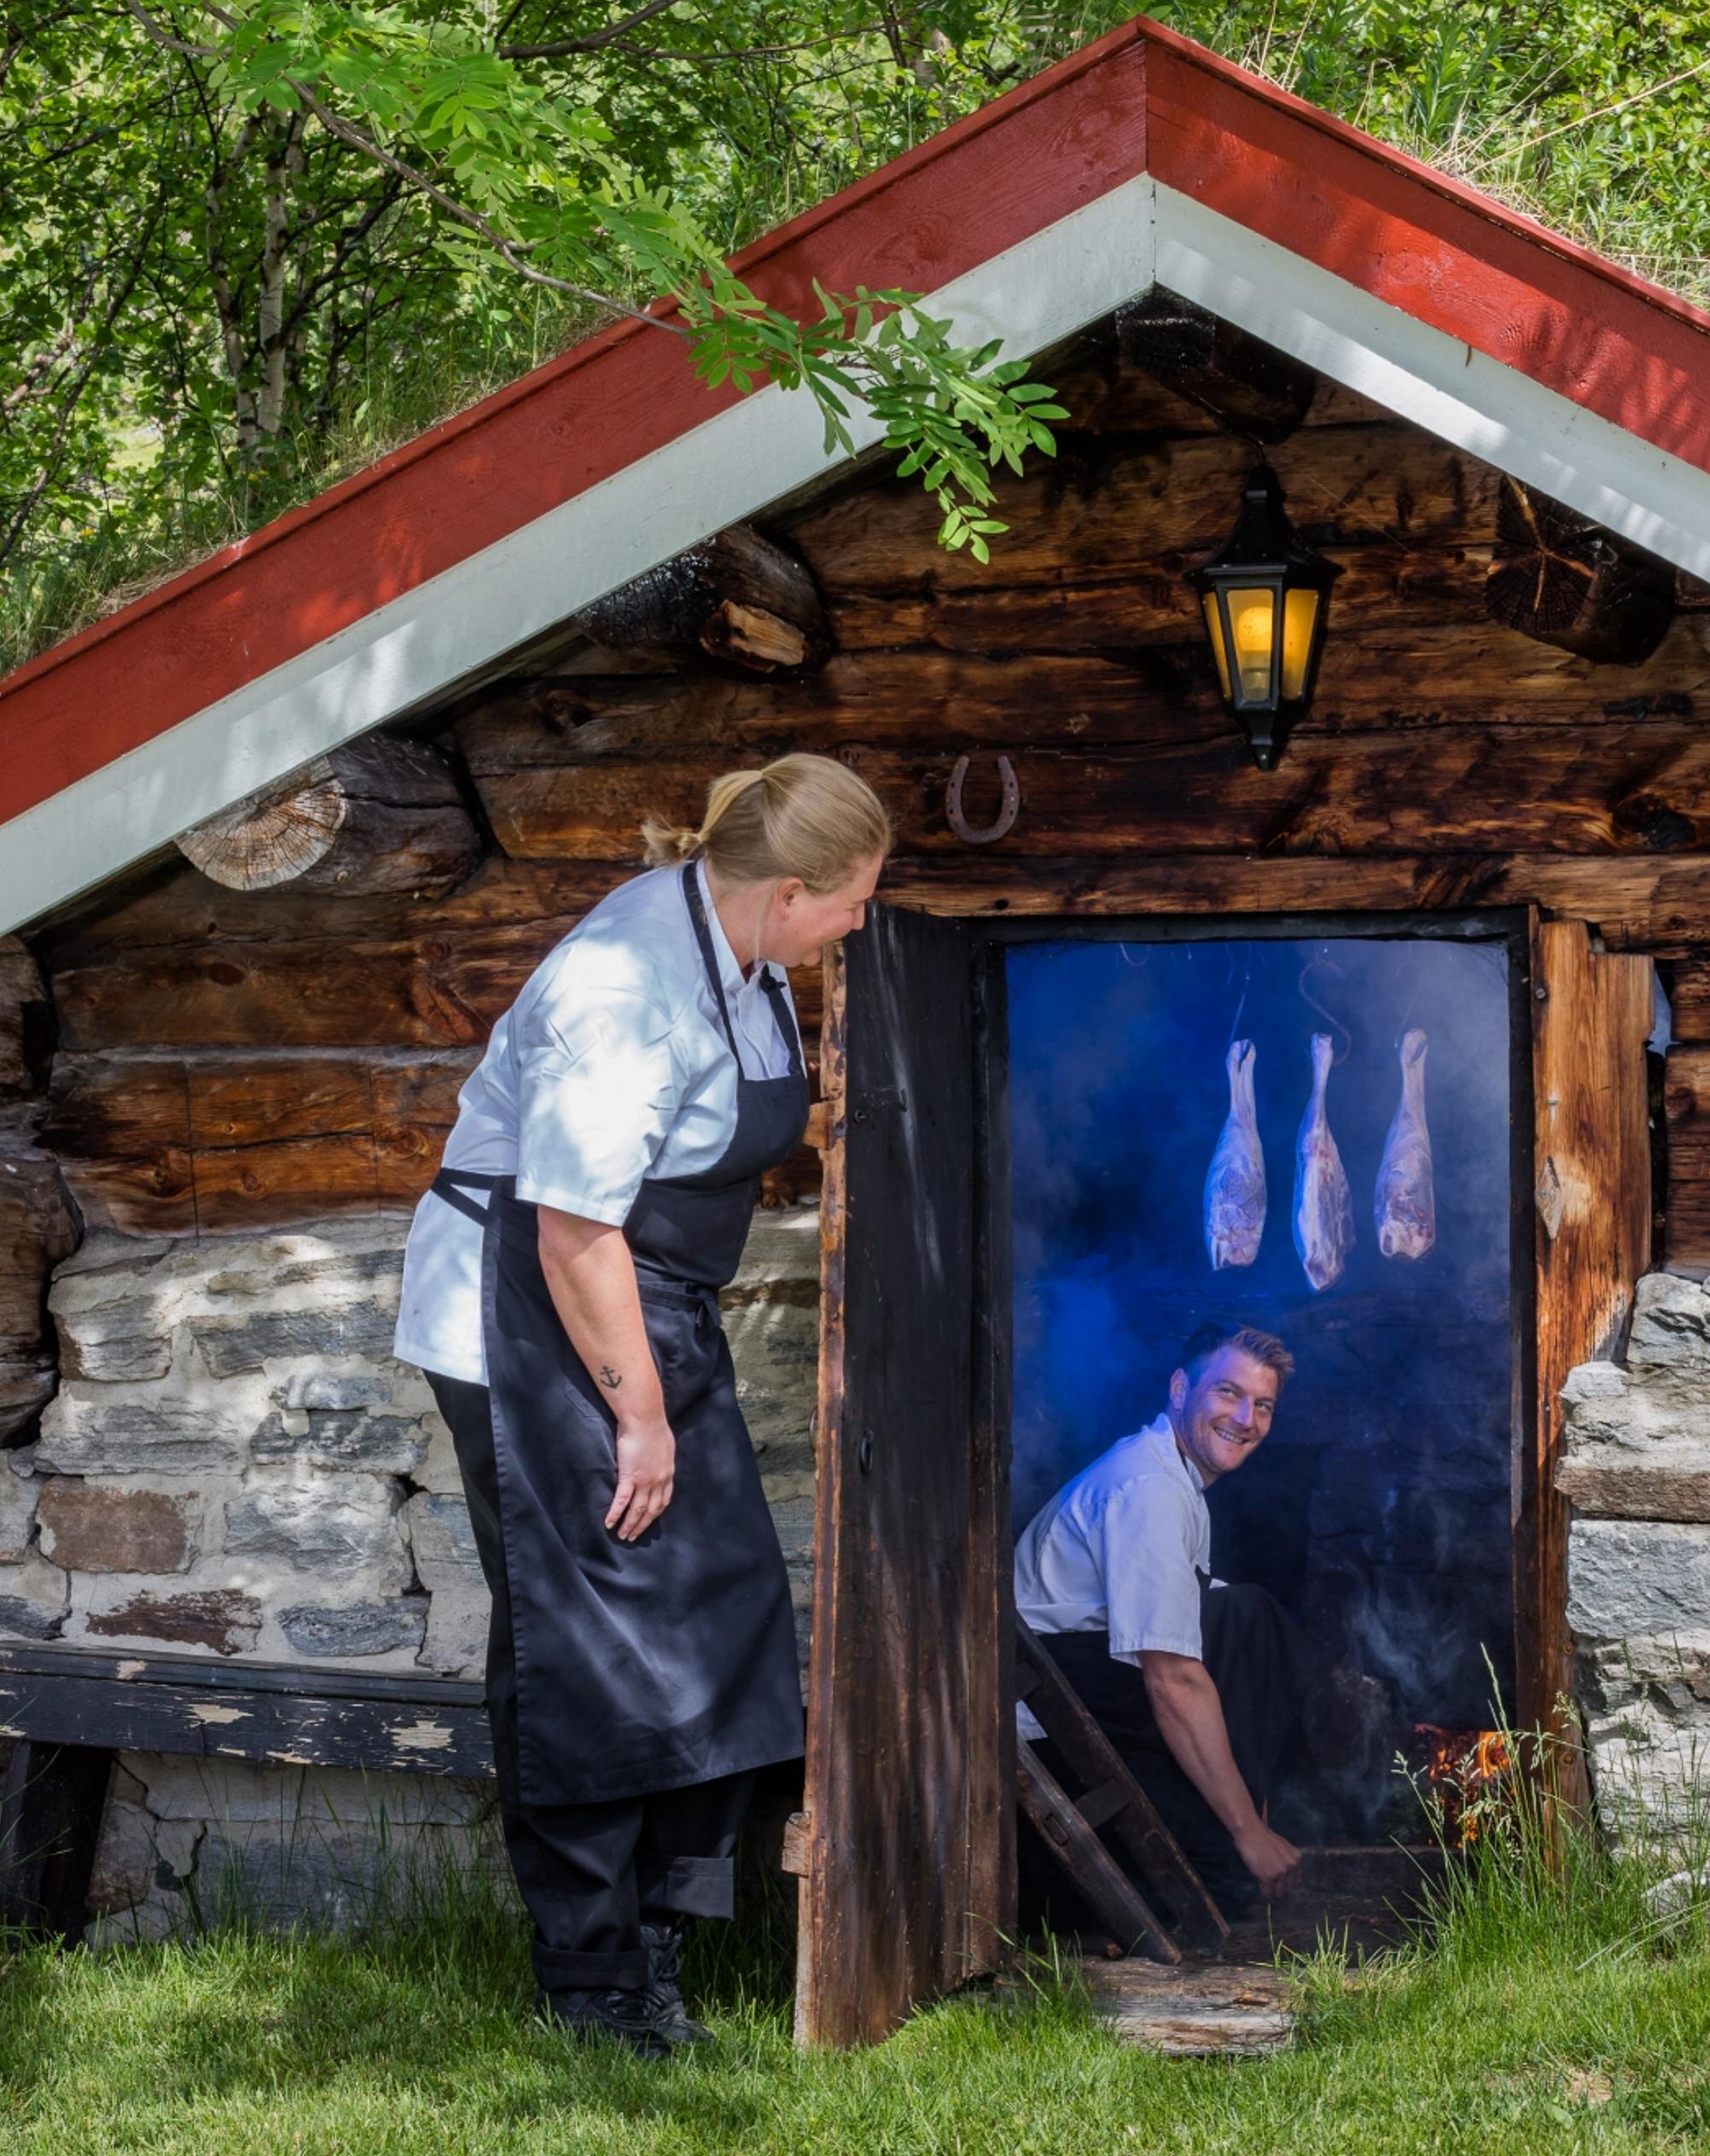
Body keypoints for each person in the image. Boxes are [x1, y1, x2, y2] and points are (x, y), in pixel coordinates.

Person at [392, 753, 889, 2058]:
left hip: (640, 1305)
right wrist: (643, 1417)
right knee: (590, 1639)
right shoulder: (621, 993)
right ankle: (594, 1982)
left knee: (720, 1611)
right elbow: (570, 1234)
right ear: (788, 893)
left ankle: (663, 1939)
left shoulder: (743, 953)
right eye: (850, 906)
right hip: (537, 1311)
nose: (855, 928)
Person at [1012, 1322, 1311, 1917]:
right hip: (1057, 1715)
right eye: (1227, 1392)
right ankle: (1236, 1845)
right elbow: (1171, 1676)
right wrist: (1248, 1828)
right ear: (1180, 1389)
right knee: (1247, 1621)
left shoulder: (1176, 1480)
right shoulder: (1148, 1487)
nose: (1245, 1418)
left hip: (1095, 1685)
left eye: (1263, 1405)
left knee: (1251, 1620)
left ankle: (1239, 1835)